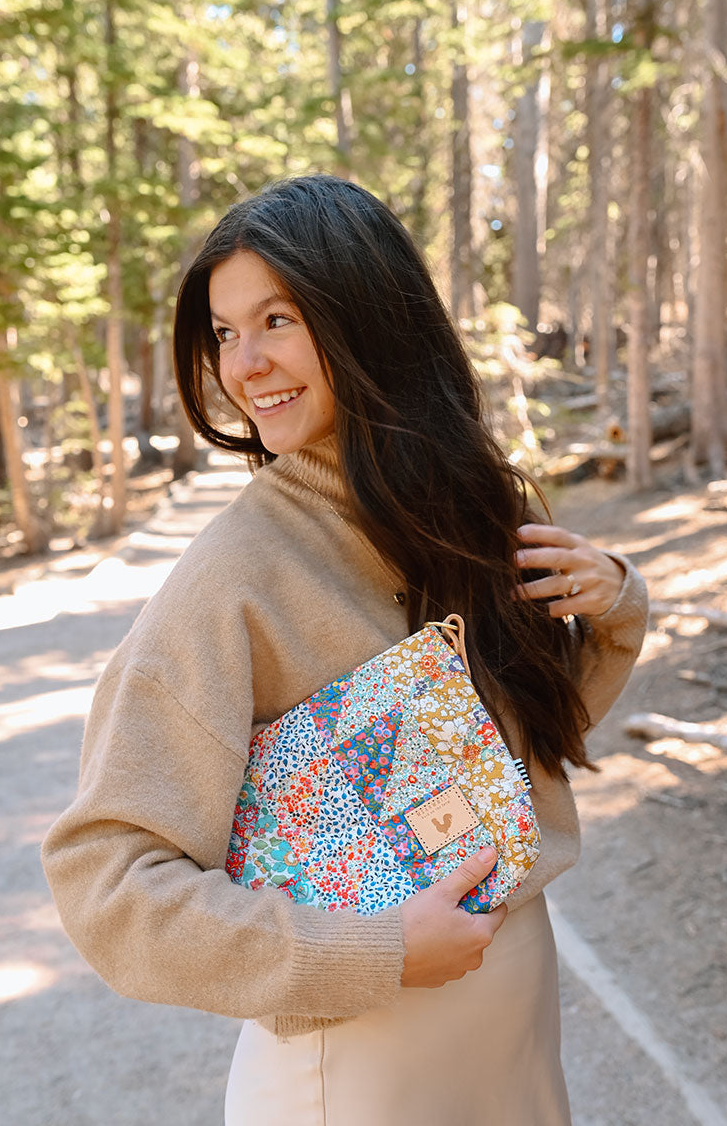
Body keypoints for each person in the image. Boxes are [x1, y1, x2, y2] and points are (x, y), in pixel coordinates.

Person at [42, 173, 648, 1125]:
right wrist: (372, 952)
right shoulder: (230, 577)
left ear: (370, 314)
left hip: (516, 1018)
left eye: (276, 318)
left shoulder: (476, 506)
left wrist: (614, 612)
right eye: (226, 332)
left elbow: (520, 747)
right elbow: (107, 881)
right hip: (352, 1064)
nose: (243, 364)